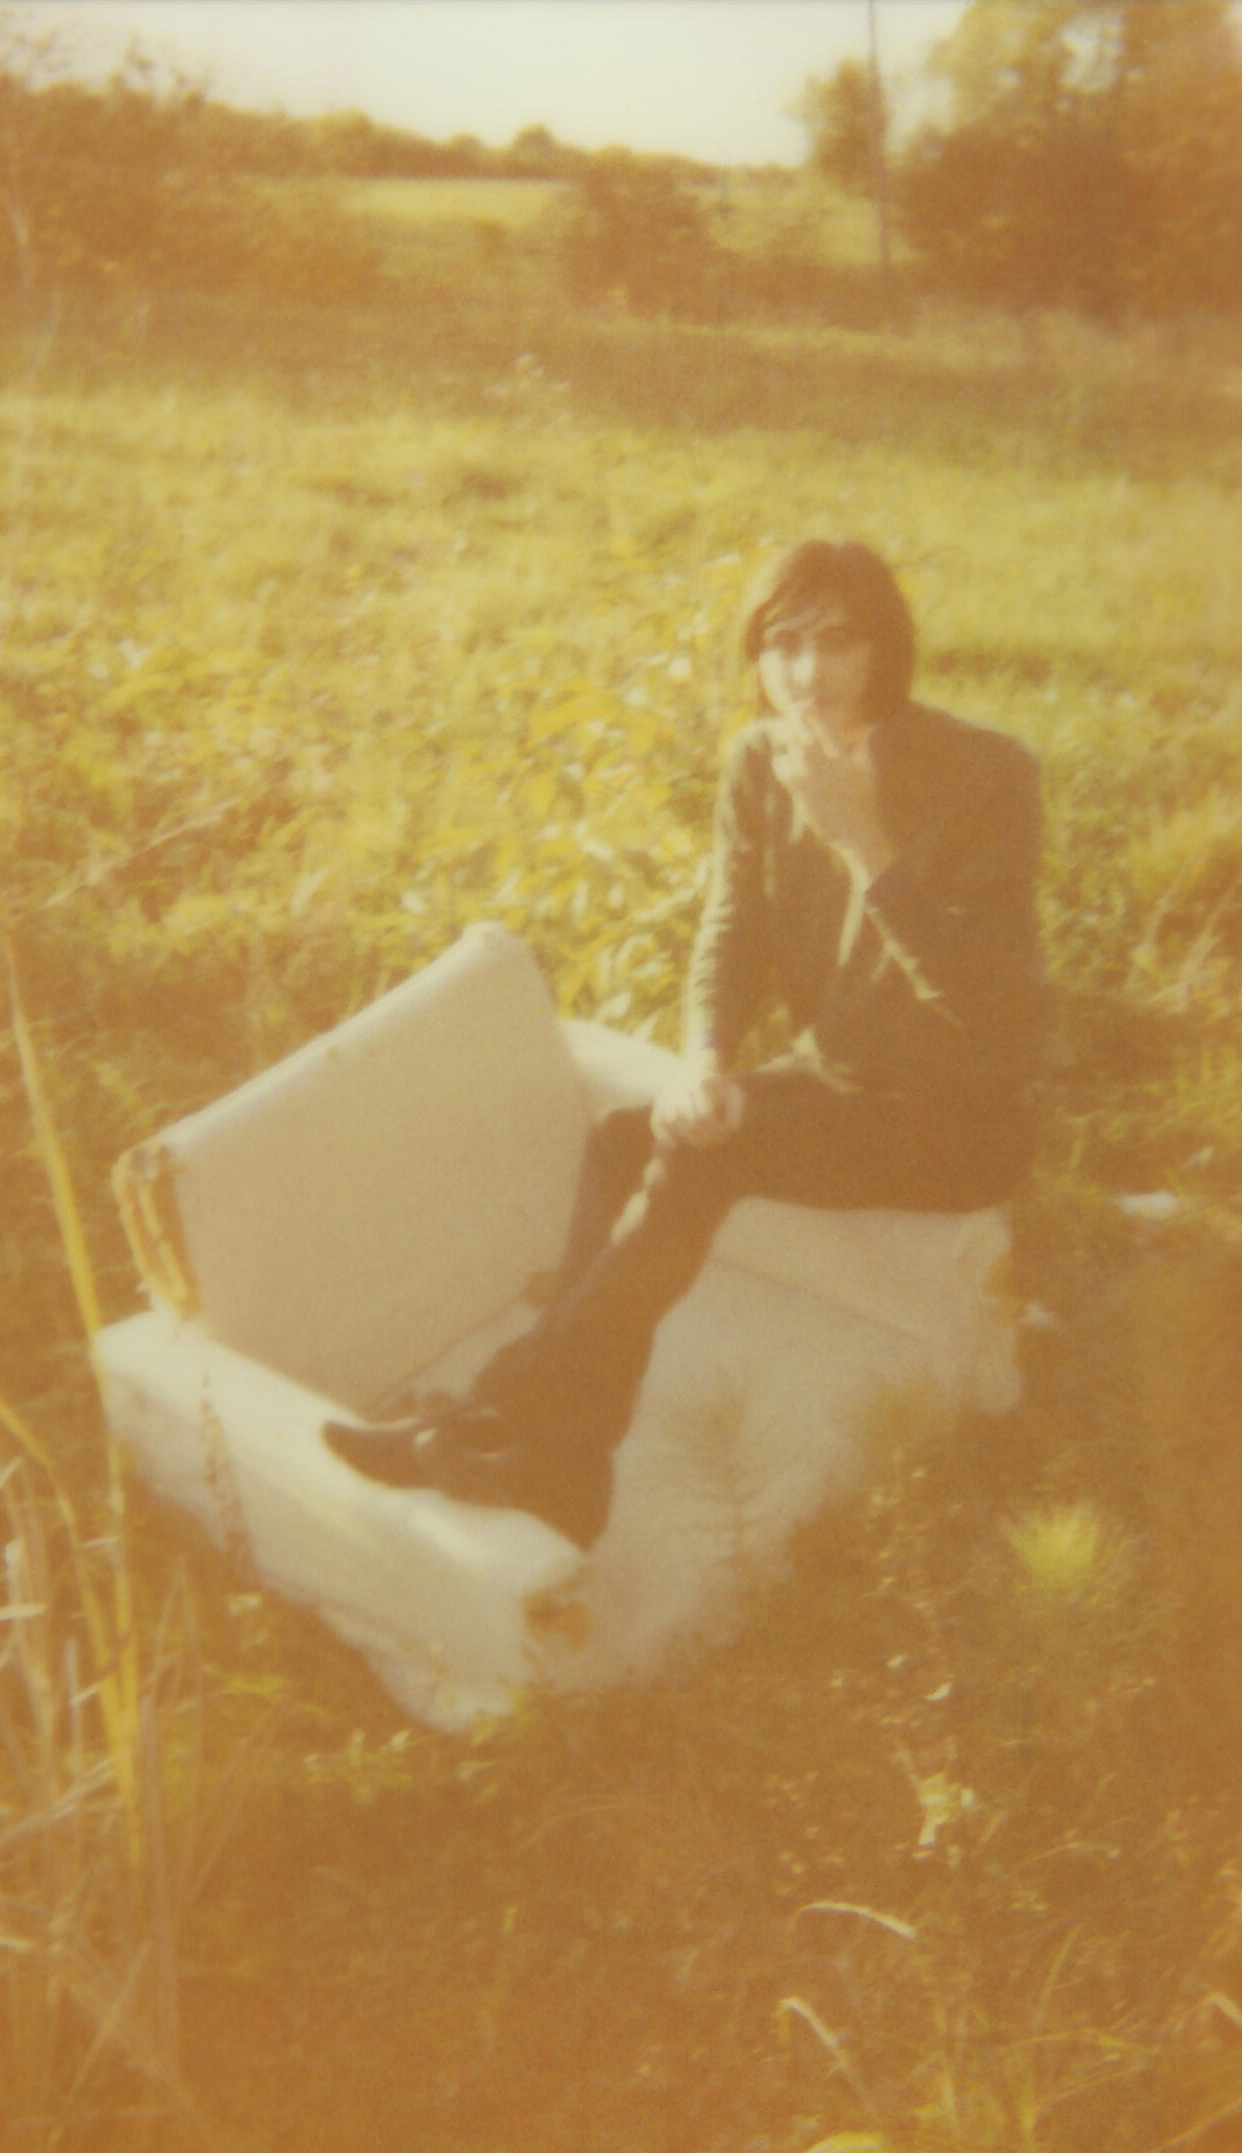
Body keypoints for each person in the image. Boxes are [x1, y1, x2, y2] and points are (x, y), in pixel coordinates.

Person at [324, 538, 1045, 1548]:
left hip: (960, 1117)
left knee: (713, 1160)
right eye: (782, 645)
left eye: (838, 641)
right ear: (756, 659)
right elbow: (732, 926)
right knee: (632, 1139)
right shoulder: (760, 758)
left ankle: (496, 1413)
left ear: (889, 649)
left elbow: (996, 1018)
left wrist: (863, 841)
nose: (807, 674)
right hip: (836, 1075)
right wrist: (703, 1057)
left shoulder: (987, 775)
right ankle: (565, 1467)